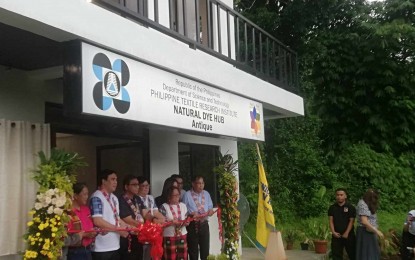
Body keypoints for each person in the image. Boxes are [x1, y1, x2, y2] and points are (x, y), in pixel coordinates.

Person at [89, 169, 130, 260]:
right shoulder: (97, 197)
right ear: (103, 181)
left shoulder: (114, 198)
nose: (115, 182)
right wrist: (118, 230)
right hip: (101, 248)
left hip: (115, 245)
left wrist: (128, 227)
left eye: (116, 179)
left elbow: (117, 218)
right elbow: (97, 221)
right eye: (112, 179)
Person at [183, 176, 214, 260]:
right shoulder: (187, 194)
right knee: (193, 251)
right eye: (199, 183)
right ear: (193, 184)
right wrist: (190, 214)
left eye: (202, 183)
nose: (201, 185)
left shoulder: (206, 194)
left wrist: (211, 211)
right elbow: (183, 210)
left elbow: (210, 206)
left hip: (204, 224)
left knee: (205, 250)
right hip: (192, 225)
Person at [118, 175, 148, 260]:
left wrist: (154, 220)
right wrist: (144, 227)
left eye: (138, 184)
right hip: (128, 237)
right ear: (126, 187)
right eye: (134, 184)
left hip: (138, 235)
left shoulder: (137, 198)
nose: (137, 187)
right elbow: (128, 220)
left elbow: (145, 213)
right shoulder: (122, 199)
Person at [66, 182, 96, 260]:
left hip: (88, 249)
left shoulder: (86, 209)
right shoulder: (69, 212)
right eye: (84, 194)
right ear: (75, 196)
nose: (87, 197)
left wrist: (96, 232)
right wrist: (85, 235)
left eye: (87, 194)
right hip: (76, 252)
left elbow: (90, 226)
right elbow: (67, 235)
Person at [161, 186, 189, 260]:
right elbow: (161, 224)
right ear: (169, 196)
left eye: (178, 195)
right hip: (169, 235)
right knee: (171, 257)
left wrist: (187, 222)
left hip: (182, 234)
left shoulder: (183, 206)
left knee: (183, 257)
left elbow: (186, 218)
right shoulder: (164, 207)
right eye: (175, 195)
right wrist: (171, 222)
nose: (177, 197)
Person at [328, 188, 356, 260]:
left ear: (345, 196)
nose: (339, 196)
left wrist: (346, 233)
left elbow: (351, 221)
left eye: (341, 195)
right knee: (336, 255)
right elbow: (331, 220)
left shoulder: (350, 207)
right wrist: (333, 232)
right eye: (337, 195)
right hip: (336, 235)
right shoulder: (332, 208)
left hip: (349, 235)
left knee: (353, 254)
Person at [356, 189, 384, 260]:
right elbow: (364, 221)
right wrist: (377, 232)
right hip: (364, 232)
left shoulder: (368, 204)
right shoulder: (362, 204)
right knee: (367, 254)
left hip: (370, 231)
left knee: (373, 253)